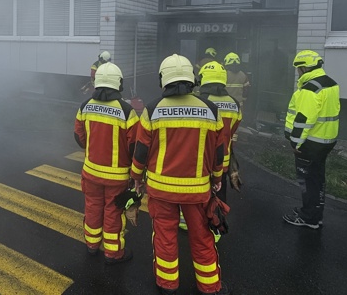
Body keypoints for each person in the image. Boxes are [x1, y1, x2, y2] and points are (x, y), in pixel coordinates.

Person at [130, 54, 229, 295]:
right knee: (203, 237)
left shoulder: (152, 110)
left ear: (163, 79)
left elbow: (140, 150)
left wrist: (136, 178)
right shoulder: (210, 110)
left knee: (164, 236)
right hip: (198, 192)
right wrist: (217, 180)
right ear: (192, 79)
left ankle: (167, 285)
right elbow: (219, 153)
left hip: (161, 190)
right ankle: (210, 287)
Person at [74, 62, 139, 264]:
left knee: (93, 207)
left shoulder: (85, 106)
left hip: (91, 171)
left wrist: (92, 149)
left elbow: (78, 135)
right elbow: (135, 145)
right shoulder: (127, 111)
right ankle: (113, 253)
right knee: (113, 211)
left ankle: (92, 245)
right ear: (118, 83)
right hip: (117, 176)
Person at [282, 50, 340, 230]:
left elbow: (303, 119)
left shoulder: (310, 89)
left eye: (299, 69)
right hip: (326, 141)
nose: (298, 72)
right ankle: (316, 214)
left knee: (307, 182)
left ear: (304, 67)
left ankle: (308, 217)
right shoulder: (330, 84)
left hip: (309, 144)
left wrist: (295, 143)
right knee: (317, 179)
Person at [199, 61, 242, 203]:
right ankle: (218, 223)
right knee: (219, 200)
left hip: (201, 162)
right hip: (222, 162)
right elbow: (231, 132)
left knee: (201, 201)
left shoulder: (201, 102)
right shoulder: (234, 104)